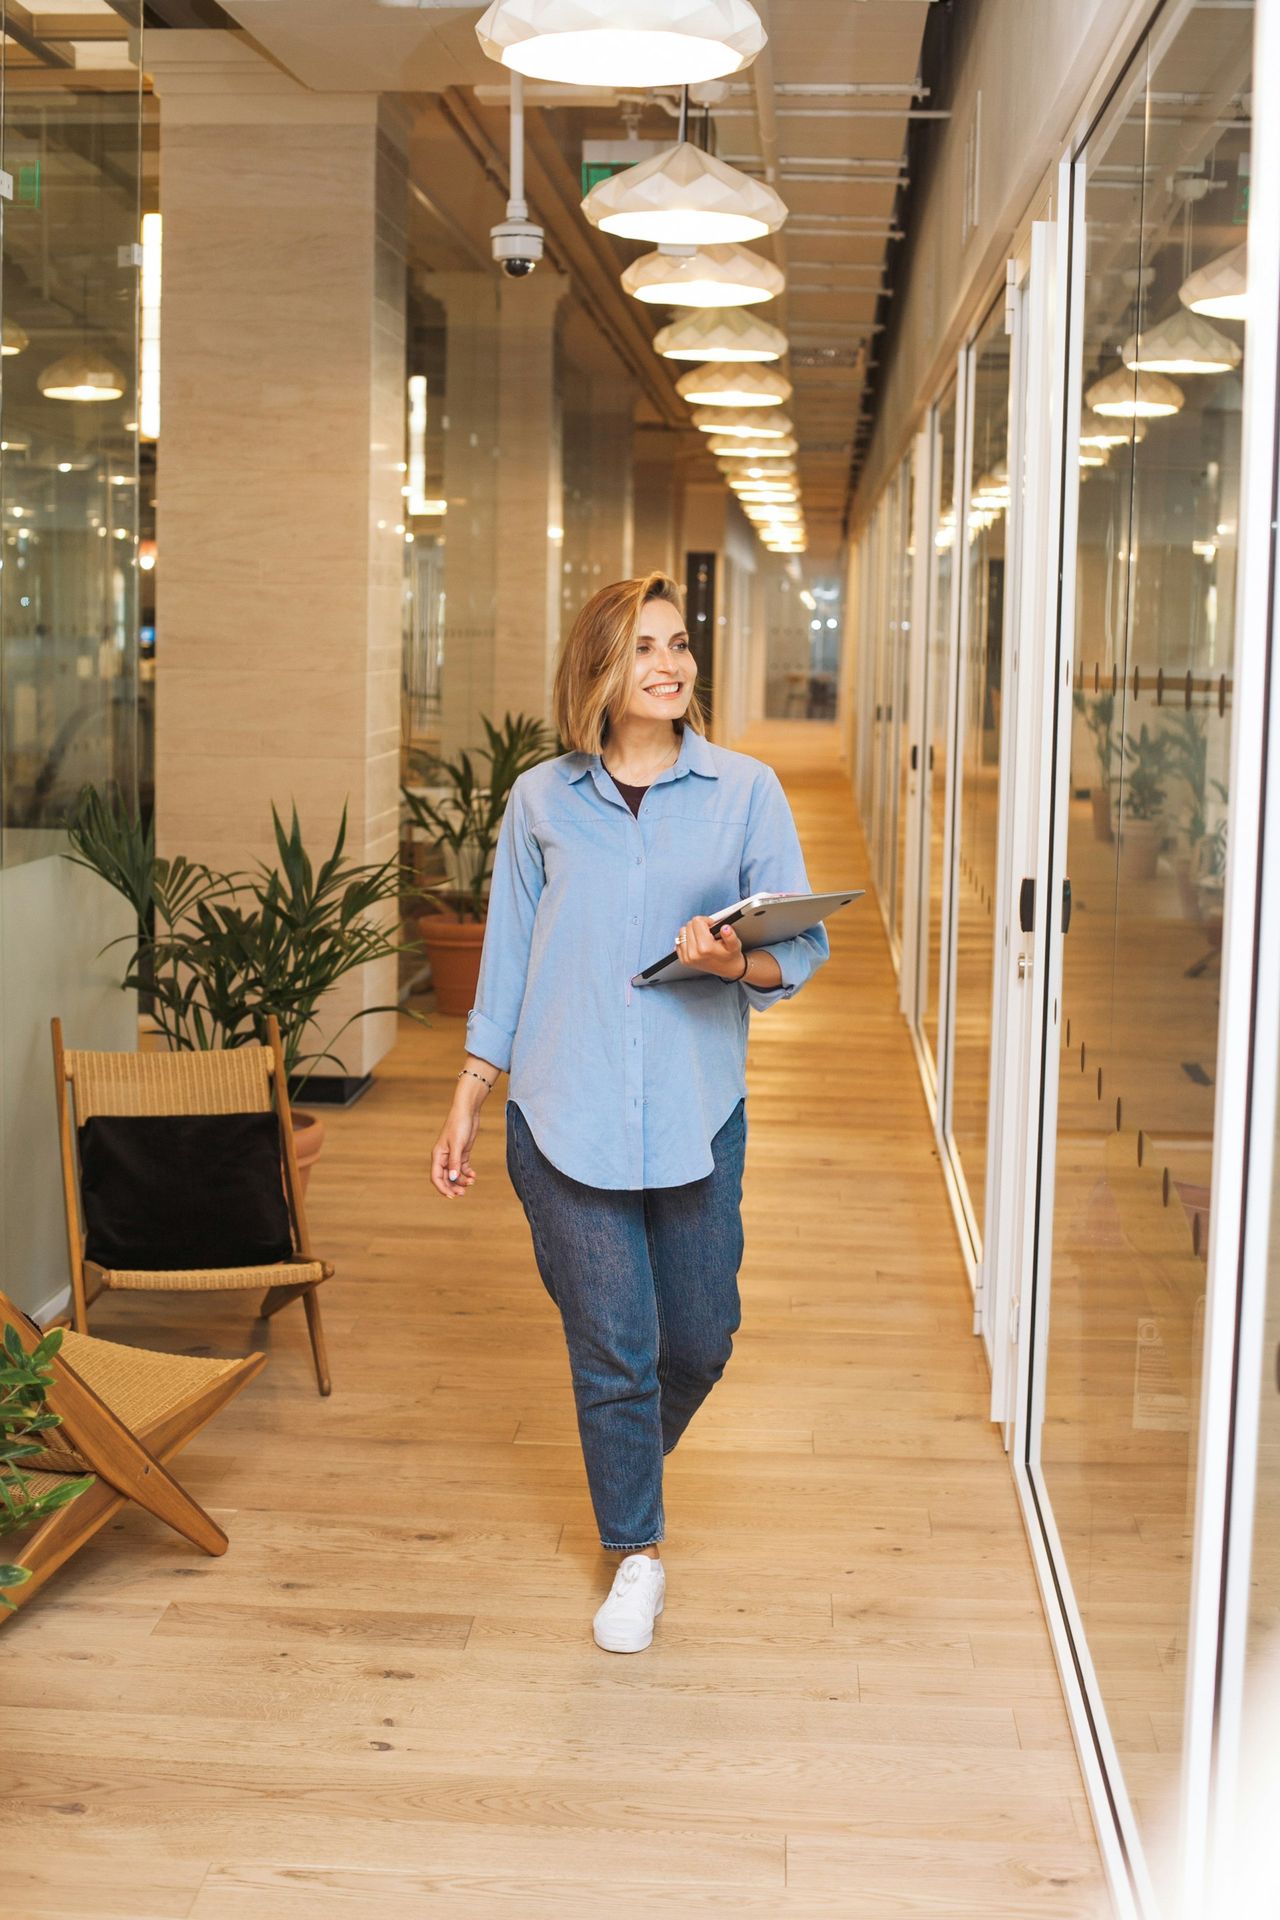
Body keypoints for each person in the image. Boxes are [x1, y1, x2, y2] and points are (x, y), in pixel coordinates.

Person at [429, 571, 829, 1652]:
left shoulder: (743, 791)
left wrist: (735, 956)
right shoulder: (540, 800)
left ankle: (622, 1471)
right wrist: (470, 1094)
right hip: (564, 1113)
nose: (669, 665)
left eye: (678, 644)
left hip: (698, 1112)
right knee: (615, 1348)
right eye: (643, 647)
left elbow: (800, 947)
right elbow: (508, 959)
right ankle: (635, 1553)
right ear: (599, 671)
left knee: (697, 1342)